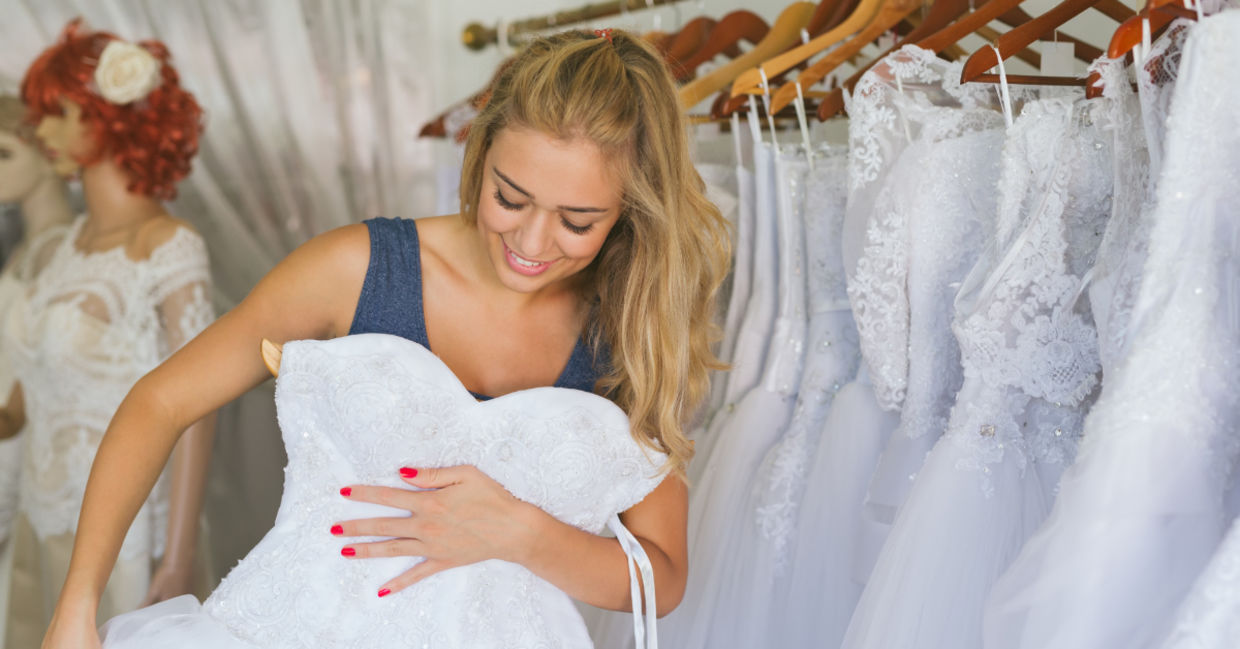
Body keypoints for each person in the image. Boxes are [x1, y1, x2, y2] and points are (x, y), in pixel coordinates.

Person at [41, 27, 730, 648]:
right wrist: (75, 605)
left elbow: (661, 578)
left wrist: (521, 532)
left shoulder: (631, 327)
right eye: (510, 197)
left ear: (630, 207)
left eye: (577, 221)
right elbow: (160, 402)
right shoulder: (357, 270)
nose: (531, 241)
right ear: (480, 150)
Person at [0, 20, 216, 648]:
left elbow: (197, 415)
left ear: (111, 117)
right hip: (39, 522)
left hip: (123, 538)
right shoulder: (61, 249)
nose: (41, 132)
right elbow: (25, 400)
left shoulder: (168, 249)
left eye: (57, 112)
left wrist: (175, 559)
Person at [0, 93, 74, 643]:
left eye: (4, 154)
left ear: (49, 155)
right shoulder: (25, 250)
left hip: (23, 430)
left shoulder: (63, 251)